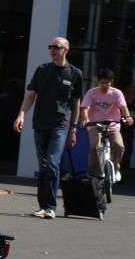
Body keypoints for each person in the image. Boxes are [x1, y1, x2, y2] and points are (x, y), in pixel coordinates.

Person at [13, 36, 83, 219]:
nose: (52, 50)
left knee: (52, 163)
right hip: (40, 123)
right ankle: (42, 206)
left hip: (60, 124)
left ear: (65, 50)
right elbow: (31, 95)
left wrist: (73, 129)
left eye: (56, 47)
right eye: (50, 46)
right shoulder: (42, 70)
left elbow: (76, 104)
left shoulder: (75, 73)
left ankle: (51, 206)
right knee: (43, 166)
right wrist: (21, 114)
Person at [79, 68, 134, 183]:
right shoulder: (92, 93)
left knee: (119, 146)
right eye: (102, 82)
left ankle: (115, 167)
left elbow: (123, 106)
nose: (104, 85)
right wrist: (85, 118)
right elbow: (84, 107)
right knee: (95, 146)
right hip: (94, 124)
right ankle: (94, 173)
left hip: (112, 124)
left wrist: (128, 117)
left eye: (107, 83)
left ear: (111, 82)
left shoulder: (116, 93)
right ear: (97, 82)